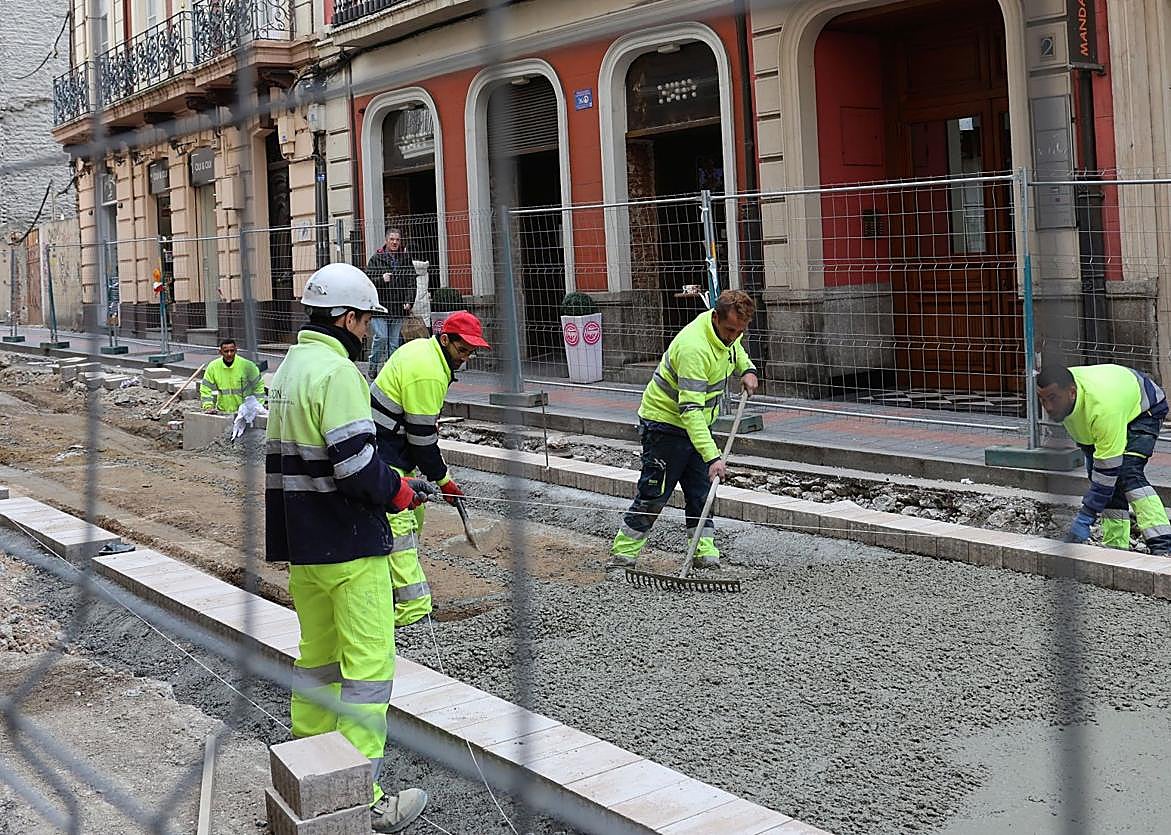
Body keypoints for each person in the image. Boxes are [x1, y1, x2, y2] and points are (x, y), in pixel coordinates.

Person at [265, 262, 438, 833]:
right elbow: (358, 466)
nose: (368, 332)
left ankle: (311, 773)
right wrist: (402, 492)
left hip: (304, 542)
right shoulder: (337, 373)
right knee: (367, 670)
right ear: (347, 317)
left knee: (319, 661)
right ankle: (361, 795)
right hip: (348, 541)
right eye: (366, 321)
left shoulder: (290, 366)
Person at [607, 290, 759, 573]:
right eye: (729, 330)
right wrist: (713, 456)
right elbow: (689, 410)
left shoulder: (725, 335)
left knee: (701, 491)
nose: (733, 337)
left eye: (740, 332)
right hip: (665, 426)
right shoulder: (694, 348)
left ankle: (704, 551)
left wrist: (746, 369)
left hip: (697, 425)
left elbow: (733, 350)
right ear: (716, 318)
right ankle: (622, 556)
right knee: (654, 493)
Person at [370, 310, 490, 627]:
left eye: (470, 352)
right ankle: (413, 610)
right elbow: (422, 441)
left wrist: (439, 478)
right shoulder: (429, 372)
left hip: (393, 448)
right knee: (400, 528)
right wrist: (444, 480)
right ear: (446, 339)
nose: (465, 357)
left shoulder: (428, 353)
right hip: (386, 454)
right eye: (462, 350)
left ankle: (388, 589)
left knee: (415, 514)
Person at [1037, 363, 1171, 554]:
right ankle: (1115, 546)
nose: (1048, 407)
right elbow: (1092, 450)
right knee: (1102, 479)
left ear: (1072, 392)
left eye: (1052, 399)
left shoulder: (1103, 408)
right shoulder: (1063, 400)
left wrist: (1086, 517)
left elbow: (1108, 472)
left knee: (1127, 474)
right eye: (1042, 400)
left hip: (1145, 407)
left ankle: (1164, 545)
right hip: (1112, 402)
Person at [364, 228, 416, 378]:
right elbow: (368, 282)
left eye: (397, 240)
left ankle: (390, 371)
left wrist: (409, 301)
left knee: (393, 342)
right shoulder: (376, 258)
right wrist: (382, 279)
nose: (395, 242)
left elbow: (411, 281)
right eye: (392, 239)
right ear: (386, 240)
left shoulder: (405, 259)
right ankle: (373, 365)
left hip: (398, 306)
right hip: (380, 307)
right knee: (381, 337)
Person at [199, 338, 266, 413]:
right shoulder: (213, 367)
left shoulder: (247, 366)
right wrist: (208, 406)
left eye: (232, 351)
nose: (229, 354)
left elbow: (259, 385)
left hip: (245, 412)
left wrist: (259, 405)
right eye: (226, 351)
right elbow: (205, 388)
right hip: (223, 411)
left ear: (236, 350)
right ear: (220, 352)